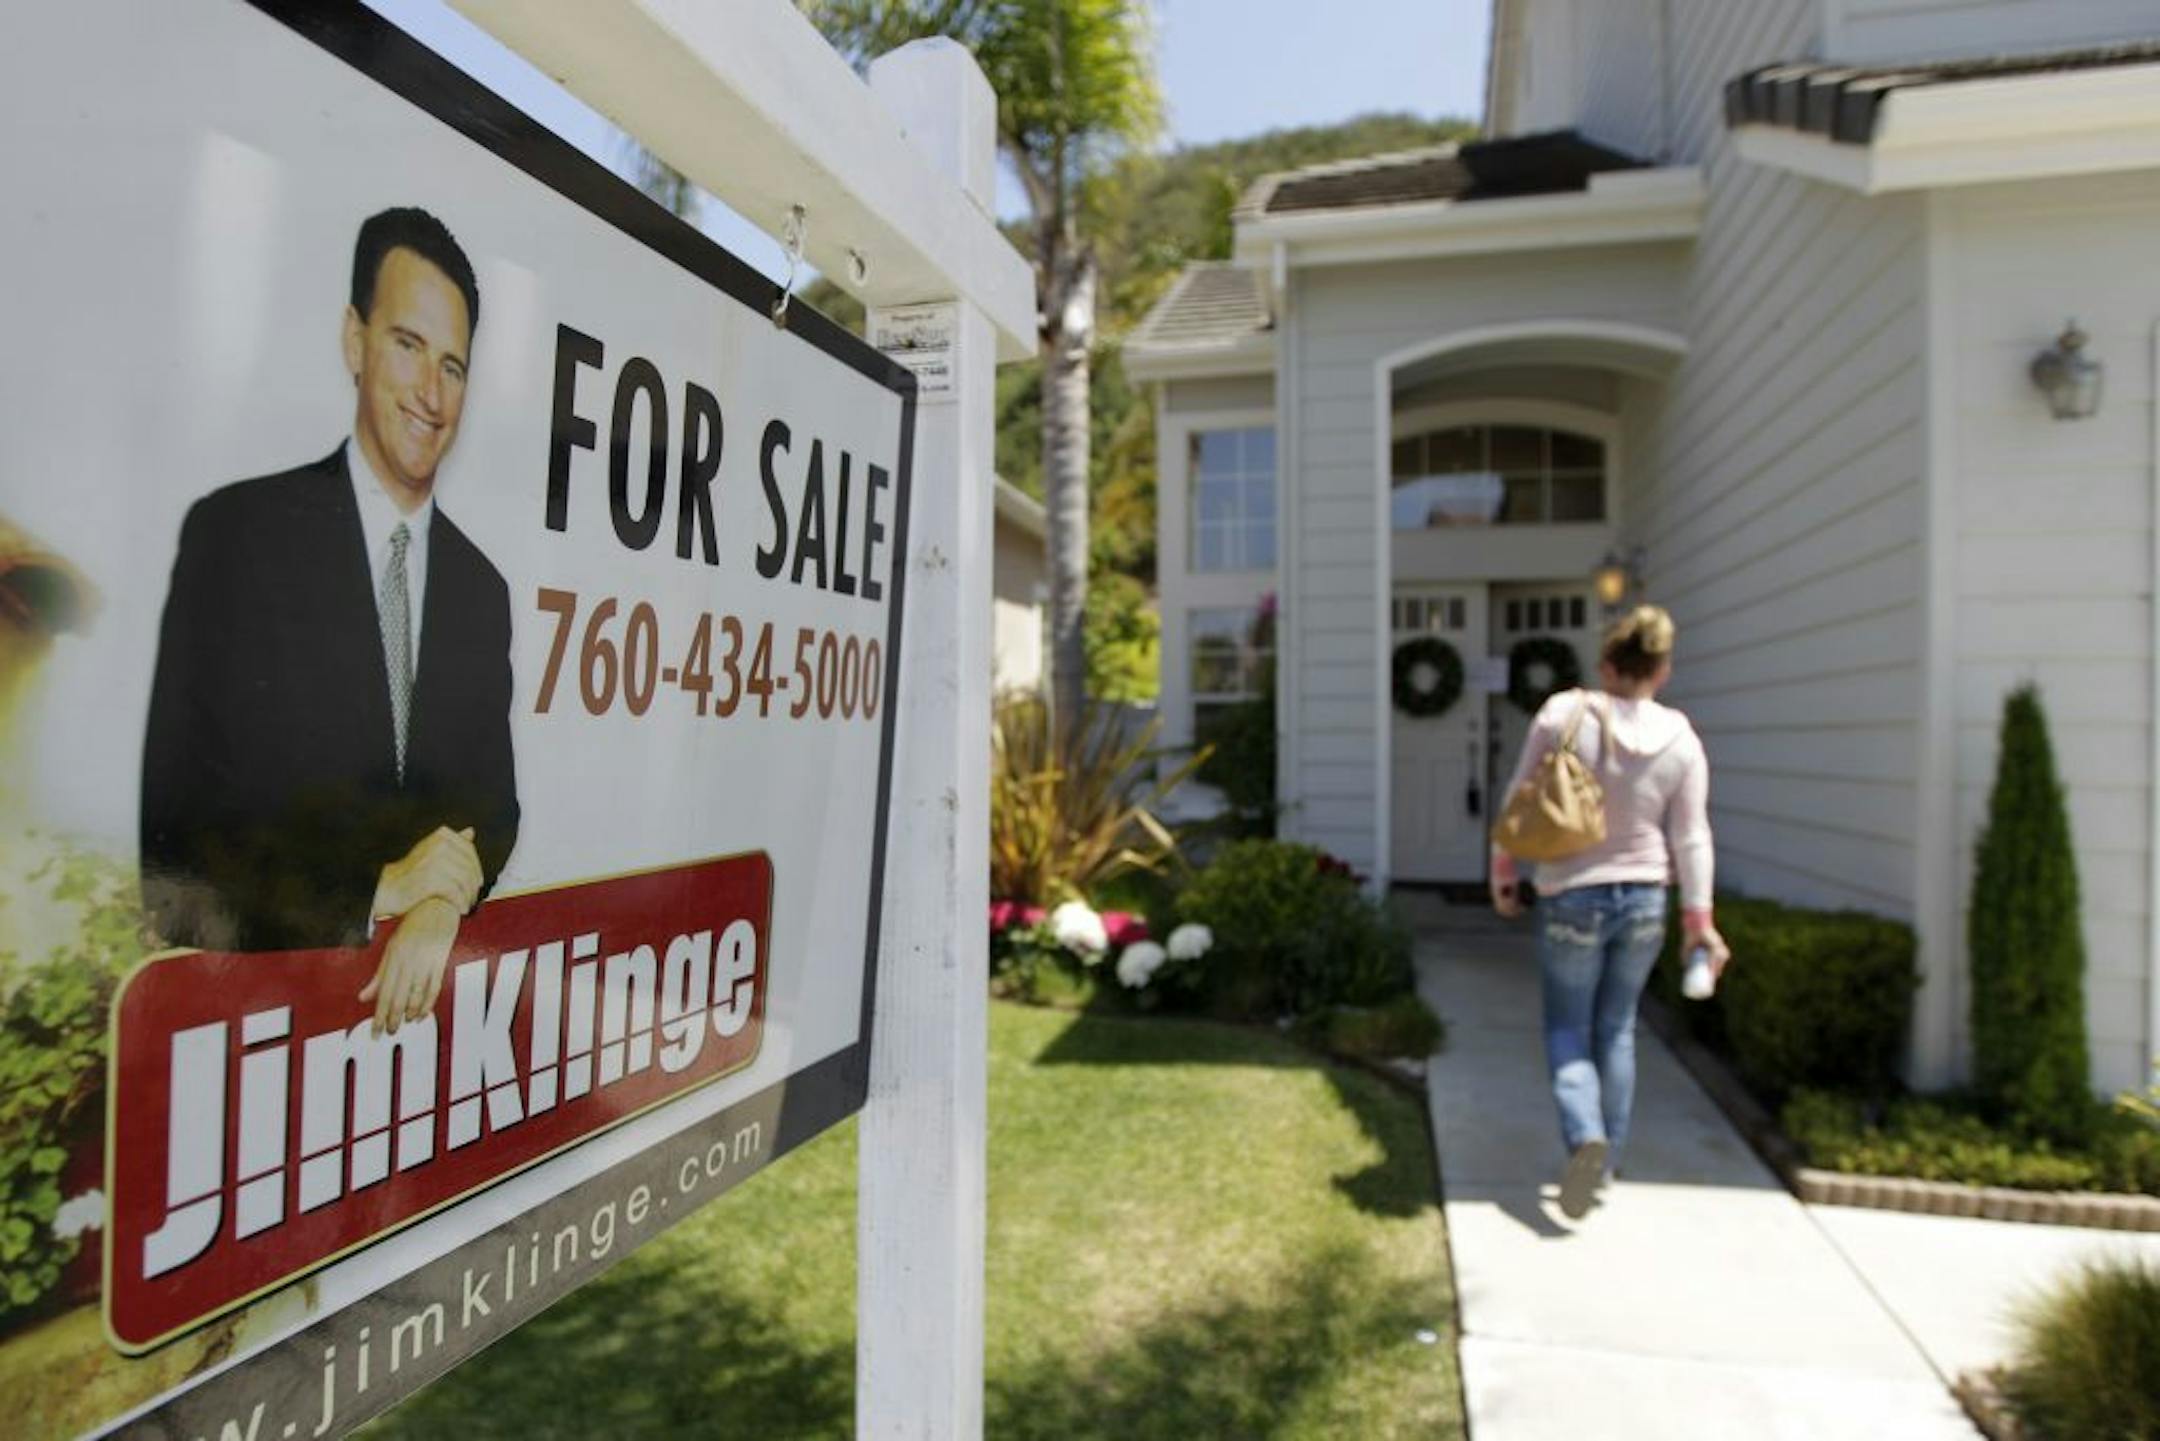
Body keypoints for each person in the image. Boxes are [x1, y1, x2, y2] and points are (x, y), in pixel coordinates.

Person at [142, 206, 519, 1036]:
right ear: (355, 342)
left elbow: (492, 810)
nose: (431, 391)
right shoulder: (237, 538)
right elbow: (178, 852)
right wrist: (383, 889)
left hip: (415, 1085)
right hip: (247, 1047)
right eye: (407, 345)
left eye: (452, 364)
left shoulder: (482, 590)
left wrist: (441, 903)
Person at [1490, 605, 1727, 1220]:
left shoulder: (1563, 713)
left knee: (1567, 1026)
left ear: (1605, 662)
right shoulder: (1681, 739)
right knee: (1617, 1028)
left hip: (1570, 892)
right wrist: (1698, 921)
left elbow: (1520, 798)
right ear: (1663, 669)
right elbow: (1692, 836)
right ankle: (1606, 1162)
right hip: (1646, 897)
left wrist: (1503, 872)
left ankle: (1583, 1134)